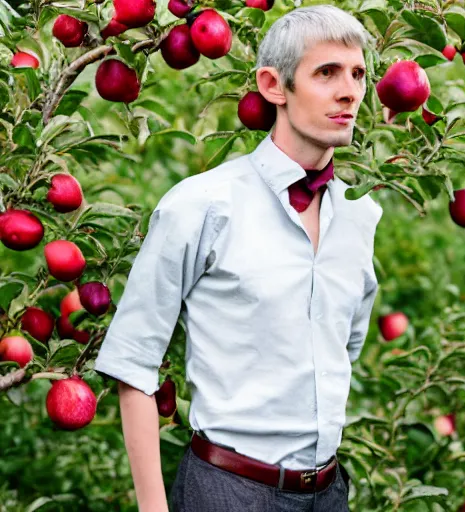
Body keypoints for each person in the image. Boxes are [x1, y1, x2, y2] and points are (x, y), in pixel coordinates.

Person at [94, 4, 383, 511]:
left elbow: (341, 350)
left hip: (330, 491)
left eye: (358, 73)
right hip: (229, 490)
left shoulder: (360, 218)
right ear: (274, 86)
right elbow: (133, 361)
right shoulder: (203, 205)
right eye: (327, 72)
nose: (350, 91)